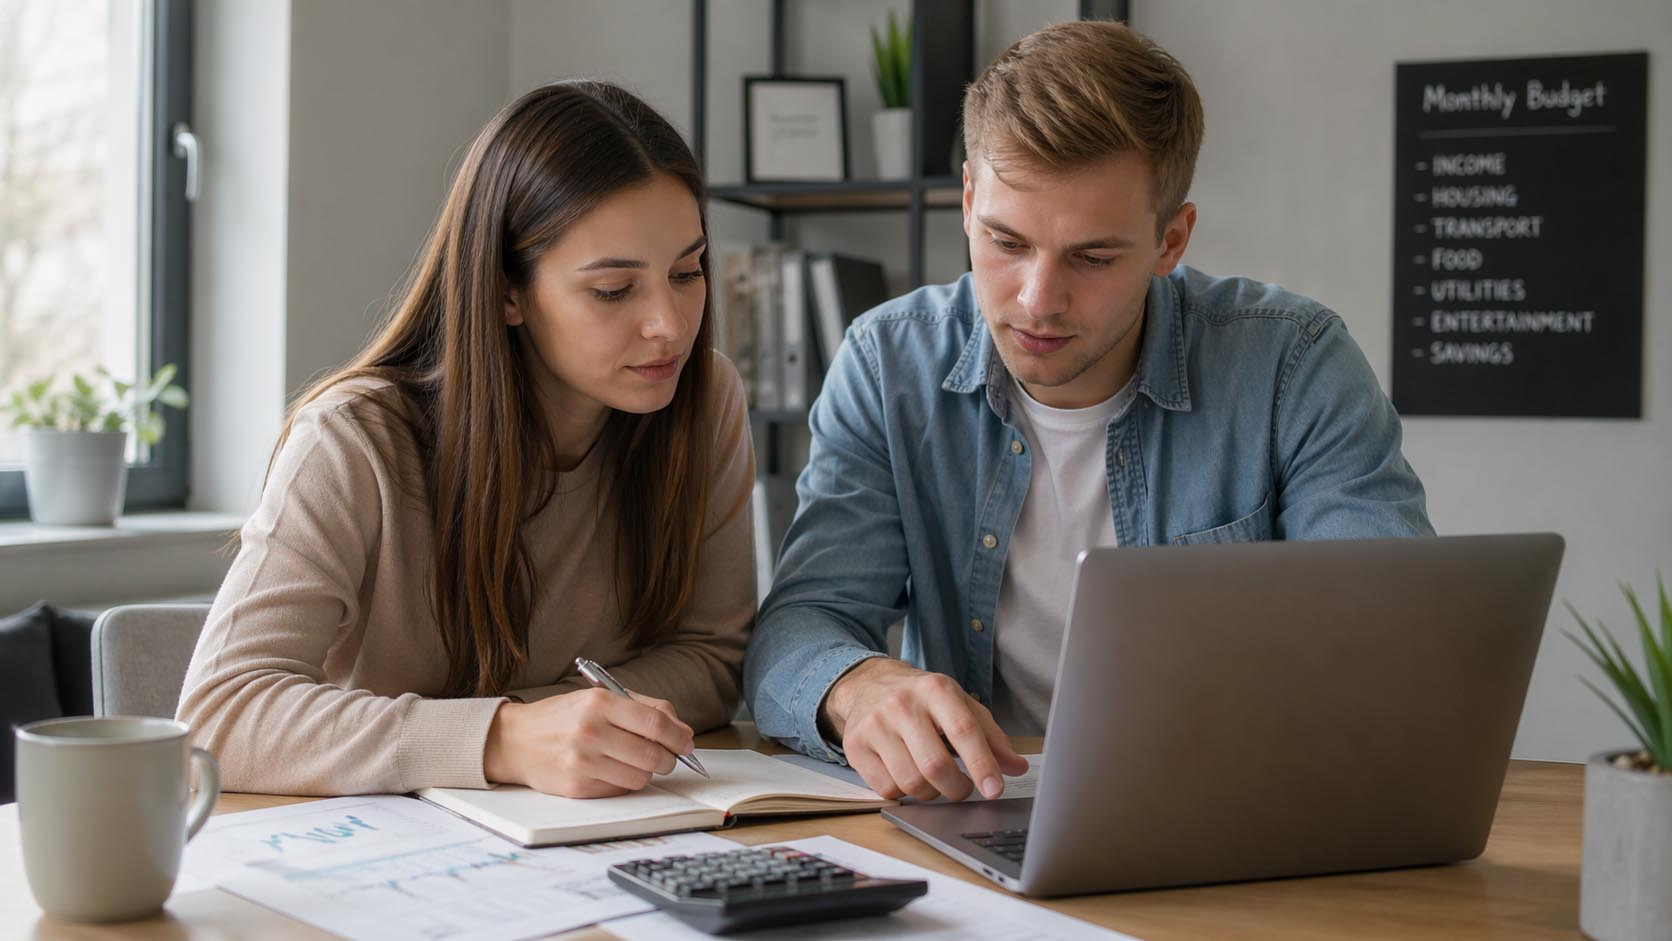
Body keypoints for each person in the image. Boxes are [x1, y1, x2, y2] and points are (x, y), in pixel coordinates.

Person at [744, 21, 1432, 803]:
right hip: (977, 809)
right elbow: (798, 628)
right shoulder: (886, 362)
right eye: (1006, 243)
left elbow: (1392, 636)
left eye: (1093, 257)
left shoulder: (1291, 364)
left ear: (1171, 240)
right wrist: (859, 685)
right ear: (967, 201)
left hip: (1222, 805)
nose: (1038, 300)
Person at [178, 81, 756, 799]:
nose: (669, 324)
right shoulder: (353, 440)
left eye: (687, 272)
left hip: (596, 831)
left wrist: (554, 728)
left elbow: (714, 659)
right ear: (507, 292)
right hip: (383, 845)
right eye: (613, 290)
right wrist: (505, 737)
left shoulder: (706, 401)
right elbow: (217, 717)